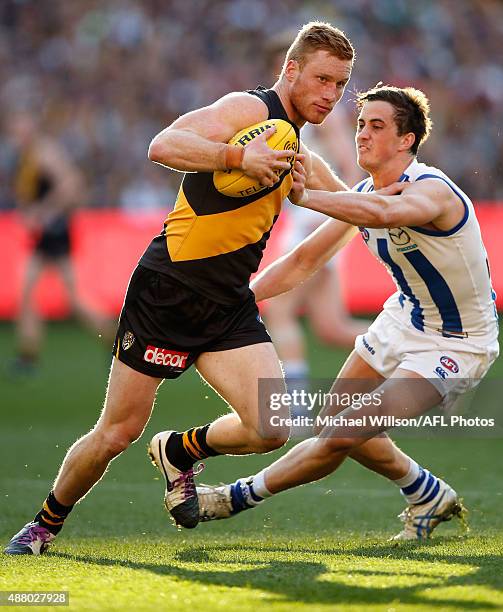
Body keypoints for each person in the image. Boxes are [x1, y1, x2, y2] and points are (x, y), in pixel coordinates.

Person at [4, 21, 357, 555]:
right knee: (117, 432)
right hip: (167, 289)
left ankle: (179, 451)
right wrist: (236, 157)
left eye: (340, 84)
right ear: (291, 70)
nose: (331, 95)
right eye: (323, 80)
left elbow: (352, 204)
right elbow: (163, 143)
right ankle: (44, 525)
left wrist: (378, 201)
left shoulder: (295, 145)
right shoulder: (249, 111)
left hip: (227, 301)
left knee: (271, 426)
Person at [196, 85, 499, 540]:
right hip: (403, 318)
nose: (362, 135)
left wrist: (308, 197)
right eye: (360, 124)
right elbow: (302, 261)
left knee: (341, 433)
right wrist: (234, 302)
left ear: (407, 140)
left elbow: (383, 214)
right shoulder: (361, 195)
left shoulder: (433, 190)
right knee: (335, 425)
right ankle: (427, 493)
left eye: (377, 126)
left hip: (460, 343)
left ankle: (235, 496)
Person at [262, 33, 368, 393]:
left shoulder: (327, 115)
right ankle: (423, 350)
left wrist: (338, 208)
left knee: (276, 310)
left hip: (314, 219)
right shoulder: (286, 115)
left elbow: (350, 166)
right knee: (332, 327)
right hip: (313, 218)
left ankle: (296, 402)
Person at [7, 112, 114, 376]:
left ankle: (116, 340)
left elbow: (72, 184)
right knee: (29, 292)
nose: (16, 135)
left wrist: (44, 211)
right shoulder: (29, 156)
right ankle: (27, 355)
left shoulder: (44, 152)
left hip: (53, 232)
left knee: (71, 298)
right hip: (47, 233)